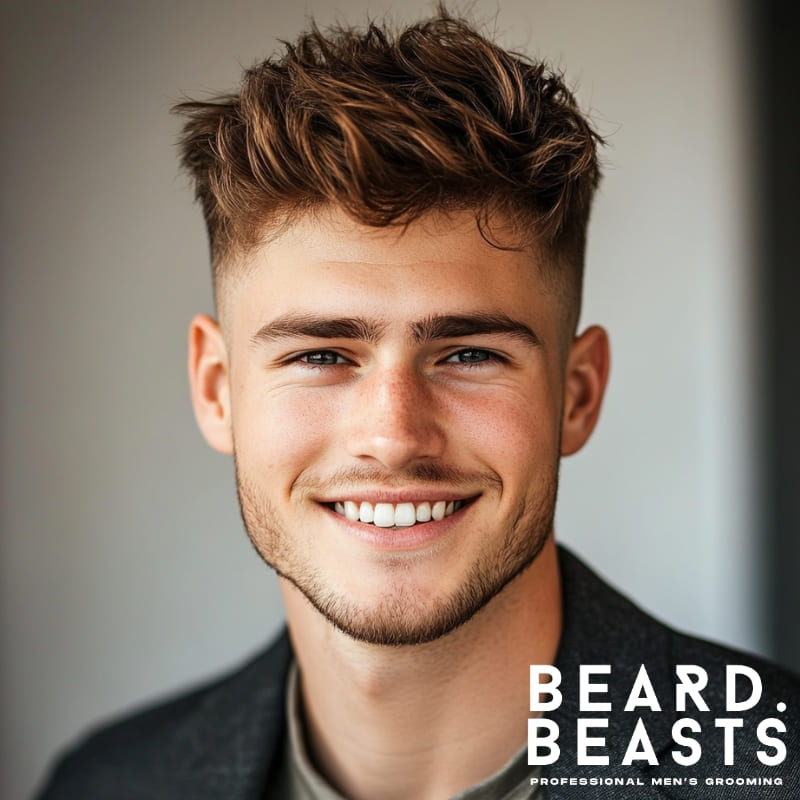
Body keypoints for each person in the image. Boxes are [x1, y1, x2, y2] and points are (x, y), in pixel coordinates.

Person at [36, 8, 799, 800]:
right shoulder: (106, 784)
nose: (393, 436)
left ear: (577, 394)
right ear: (217, 390)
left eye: (469, 355)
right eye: (322, 355)